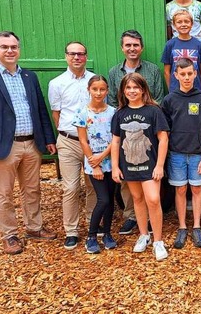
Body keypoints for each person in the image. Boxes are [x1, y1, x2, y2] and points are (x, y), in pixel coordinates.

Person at [0, 31, 57, 255]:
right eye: (5, 47)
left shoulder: (29, 77)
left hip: (31, 144)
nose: (10, 51)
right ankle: (10, 235)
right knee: (3, 193)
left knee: (32, 190)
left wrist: (48, 139)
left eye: (14, 47)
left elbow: (40, 110)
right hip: (3, 147)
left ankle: (34, 228)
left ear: (19, 49)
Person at [108, 29, 165, 236]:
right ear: (122, 47)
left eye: (135, 45)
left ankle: (156, 235)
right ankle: (136, 224)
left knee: (153, 197)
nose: (132, 48)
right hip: (127, 145)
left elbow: (158, 96)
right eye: (128, 45)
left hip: (148, 144)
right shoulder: (115, 72)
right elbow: (112, 104)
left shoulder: (152, 71)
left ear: (141, 47)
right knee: (134, 195)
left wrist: (147, 112)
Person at [111, 73, 169, 261]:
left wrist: (160, 165)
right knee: (137, 198)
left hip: (150, 164)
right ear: (123, 91)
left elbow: (163, 138)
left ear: (143, 89)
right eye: (128, 88)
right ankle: (143, 235)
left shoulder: (154, 111)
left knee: (153, 199)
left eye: (136, 87)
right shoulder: (120, 114)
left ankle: (158, 241)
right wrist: (114, 166)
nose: (132, 91)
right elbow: (116, 141)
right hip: (129, 163)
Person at [48, 41, 96, 250]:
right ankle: (71, 230)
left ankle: (93, 225)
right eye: (72, 54)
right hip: (68, 141)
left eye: (81, 54)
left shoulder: (94, 79)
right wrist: (66, 133)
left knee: (93, 185)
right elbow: (56, 113)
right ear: (66, 56)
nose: (77, 58)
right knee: (70, 187)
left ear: (86, 56)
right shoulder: (56, 83)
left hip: (93, 141)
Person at [161, 58, 201, 249]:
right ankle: (182, 227)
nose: (187, 77)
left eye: (190, 73)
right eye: (182, 74)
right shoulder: (169, 100)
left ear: (195, 74)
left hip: (197, 153)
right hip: (177, 154)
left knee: (197, 189)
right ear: (176, 75)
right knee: (180, 189)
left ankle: (197, 226)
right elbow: (164, 132)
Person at [73, 75, 118, 254]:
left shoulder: (113, 112)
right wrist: (95, 163)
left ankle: (107, 233)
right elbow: (83, 141)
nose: (98, 93)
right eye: (95, 89)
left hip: (111, 162)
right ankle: (92, 235)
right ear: (89, 90)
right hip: (94, 164)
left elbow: (116, 139)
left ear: (107, 91)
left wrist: (104, 156)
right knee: (103, 199)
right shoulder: (82, 112)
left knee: (111, 200)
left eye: (102, 89)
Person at [161, 9, 201, 92]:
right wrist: (171, 90)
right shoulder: (170, 44)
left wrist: (199, 89)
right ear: (174, 25)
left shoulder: (199, 45)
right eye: (179, 22)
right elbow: (166, 72)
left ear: (192, 24)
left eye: (186, 21)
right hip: (176, 91)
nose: (183, 24)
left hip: (195, 90)